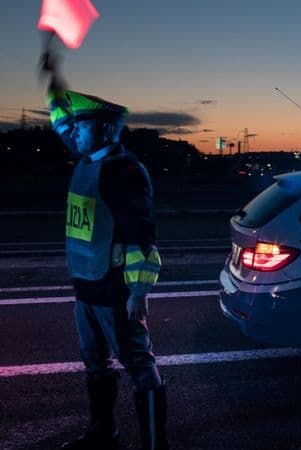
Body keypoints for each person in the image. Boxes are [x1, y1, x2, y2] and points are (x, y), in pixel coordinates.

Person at [41, 52, 168, 450]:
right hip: (85, 284)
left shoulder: (123, 171)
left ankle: (153, 444)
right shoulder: (87, 157)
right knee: (95, 363)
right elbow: (62, 120)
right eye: (76, 125)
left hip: (114, 289)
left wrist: (139, 292)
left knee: (138, 365)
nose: (75, 131)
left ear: (108, 129)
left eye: (84, 125)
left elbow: (141, 235)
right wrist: (53, 82)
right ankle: (103, 434)